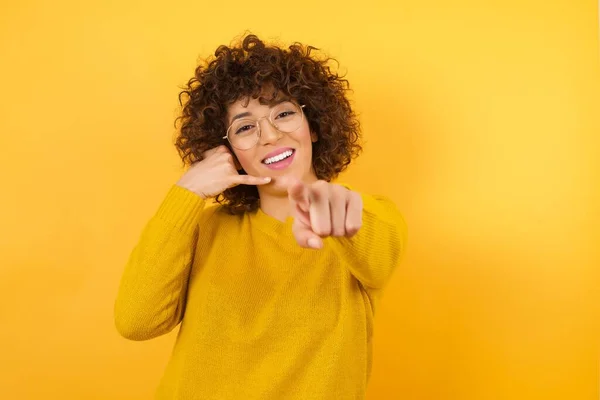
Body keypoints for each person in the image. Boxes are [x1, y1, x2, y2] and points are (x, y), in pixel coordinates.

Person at [114, 33, 407, 400]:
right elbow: (137, 322)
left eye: (283, 113)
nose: (270, 135)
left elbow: (375, 251)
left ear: (313, 125)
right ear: (228, 152)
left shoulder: (367, 217)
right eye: (245, 127)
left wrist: (336, 214)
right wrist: (186, 193)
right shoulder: (206, 228)